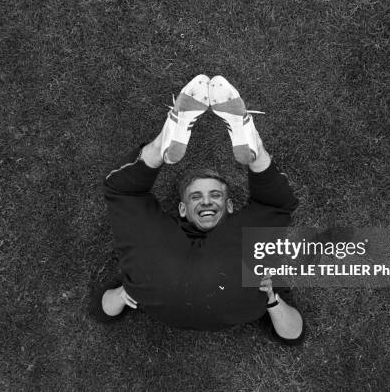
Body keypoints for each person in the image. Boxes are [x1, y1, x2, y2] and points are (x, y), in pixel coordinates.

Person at [89, 75, 304, 343]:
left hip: (218, 283)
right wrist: (124, 293)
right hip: (176, 279)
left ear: (230, 206)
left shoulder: (246, 247)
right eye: (195, 197)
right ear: (181, 209)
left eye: (215, 195)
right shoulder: (167, 237)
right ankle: (254, 152)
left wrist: (273, 300)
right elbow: (294, 336)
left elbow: (102, 311)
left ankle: (162, 145)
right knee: (274, 206)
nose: (205, 201)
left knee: (122, 191)